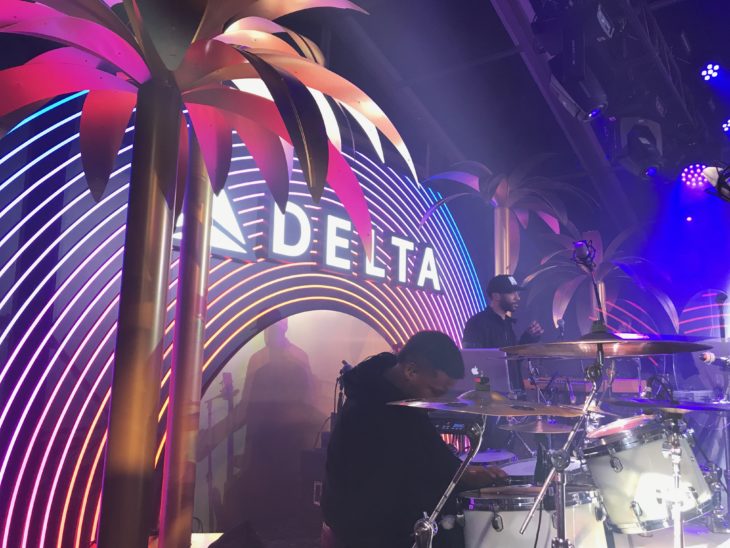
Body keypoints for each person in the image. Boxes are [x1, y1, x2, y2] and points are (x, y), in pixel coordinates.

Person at [321, 331, 507, 548]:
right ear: (411, 370)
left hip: (375, 515)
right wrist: (475, 477)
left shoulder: (379, 388)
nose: (436, 400)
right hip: (367, 530)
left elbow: (428, 459)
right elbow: (432, 470)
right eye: (434, 390)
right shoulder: (379, 410)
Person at [462, 274, 544, 349]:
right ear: (496, 296)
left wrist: (528, 338)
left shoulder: (507, 324)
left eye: (517, 293)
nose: (517, 298)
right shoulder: (476, 323)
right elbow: (471, 359)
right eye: (512, 293)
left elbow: (512, 359)